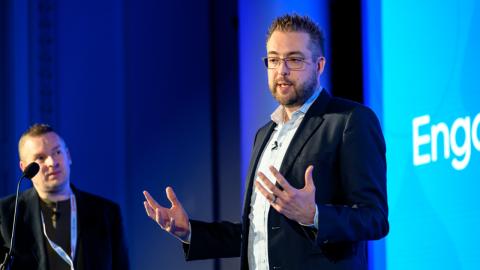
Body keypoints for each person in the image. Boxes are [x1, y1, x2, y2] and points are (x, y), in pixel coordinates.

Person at [143, 13, 388, 270]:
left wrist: (314, 215)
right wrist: (190, 232)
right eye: (273, 59)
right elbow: (259, 230)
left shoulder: (350, 120)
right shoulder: (265, 133)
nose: (281, 70)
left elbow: (375, 218)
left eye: (294, 59)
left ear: (319, 65)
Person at [0, 124, 129, 270]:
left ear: (68, 155)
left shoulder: (106, 212)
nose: (52, 162)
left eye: (57, 152)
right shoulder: (6, 214)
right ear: (24, 168)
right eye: (40, 158)